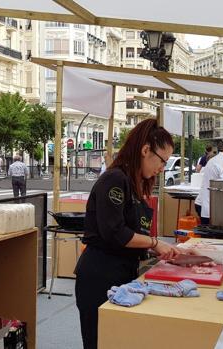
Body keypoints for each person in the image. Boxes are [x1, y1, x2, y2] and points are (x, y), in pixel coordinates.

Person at [75, 119, 181, 349]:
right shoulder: (114, 179)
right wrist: (155, 243)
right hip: (100, 275)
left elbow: (133, 232)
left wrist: (158, 251)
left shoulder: (136, 183)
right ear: (145, 150)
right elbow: (115, 233)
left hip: (123, 273)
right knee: (100, 341)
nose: (163, 168)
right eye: (162, 161)